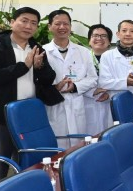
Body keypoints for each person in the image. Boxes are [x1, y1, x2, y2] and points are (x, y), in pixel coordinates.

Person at [0, 7, 56, 184]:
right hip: (2, 115)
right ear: (12, 22)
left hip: (29, 116)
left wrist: (39, 67)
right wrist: (24, 66)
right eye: (24, 21)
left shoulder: (36, 47)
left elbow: (48, 79)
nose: (28, 26)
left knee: (29, 161)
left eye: (33, 23)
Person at [42, 10, 98, 145]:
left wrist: (75, 87)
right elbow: (38, 83)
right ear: (49, 27)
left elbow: (92, 78)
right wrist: (56, 87)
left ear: (70, 27)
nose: (62, 27)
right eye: (57, 24)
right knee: (57, 148)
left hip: (76, 105)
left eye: (66, 24)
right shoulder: (42, 52)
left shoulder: (83, 52)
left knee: (78, 147)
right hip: (54, 107)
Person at [98, 20, 133, 122]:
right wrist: (126, 82)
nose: (128, 34)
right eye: (124, 31)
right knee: (119, 130)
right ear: (118, 34)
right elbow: (103, 82)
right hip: (117, 103)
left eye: (132, 31)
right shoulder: (107, 56)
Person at [84, 24, 113, 135]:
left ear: (109, 42)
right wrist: (92, 92)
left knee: (110, 133)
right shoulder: (82, 57)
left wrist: (109, 92)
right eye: (95, 35)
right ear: (89, 41)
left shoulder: (115, 59)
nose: (99, 39)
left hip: (109, 102)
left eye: (103, 36)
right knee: (90, 136)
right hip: (88, 102)